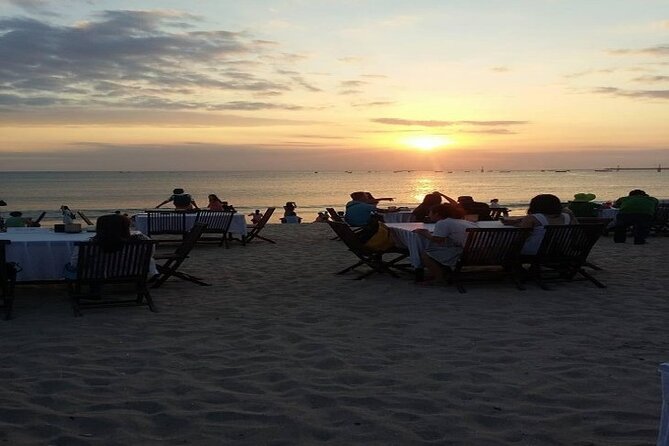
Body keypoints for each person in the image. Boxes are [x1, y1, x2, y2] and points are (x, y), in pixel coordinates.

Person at [65, 213, 157, 279]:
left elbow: (75, 264)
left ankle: (95, 289)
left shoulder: (88, 245)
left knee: (68, 266)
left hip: (98, 276)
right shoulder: (143, 241)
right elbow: (149, 256)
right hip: (132, 273)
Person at [412, 204, 476, 282]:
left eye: (430, 212)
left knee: (426, 253)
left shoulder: (443, 223)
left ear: (437, 214)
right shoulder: (466, 222)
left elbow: (437, 240)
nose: (428, 215)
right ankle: (445, 273)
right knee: (443, 250)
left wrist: (425, 233)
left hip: (466, 255)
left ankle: (439, 278)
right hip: (482, 254)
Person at [508, 194, 575, 255]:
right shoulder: (567, 216)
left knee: (509, 245)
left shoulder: (532, 218)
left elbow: (521, 237)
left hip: (536, 252)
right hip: (562, 251)